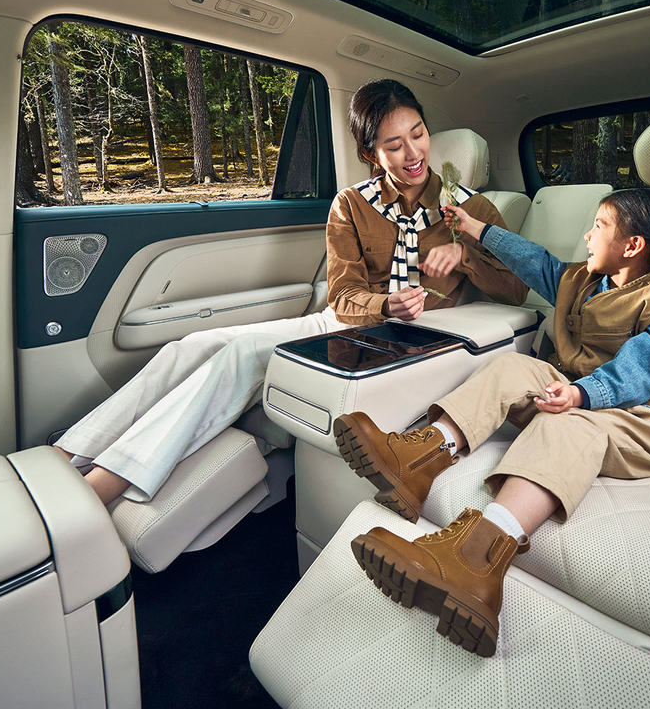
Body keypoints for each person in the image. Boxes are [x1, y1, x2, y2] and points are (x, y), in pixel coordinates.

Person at [54, 78, 526, 506]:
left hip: (408, 338)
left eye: (418, 134)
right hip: (346, 322)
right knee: (190, 345)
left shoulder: (472, 208)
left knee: (243, 354)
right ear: (370, 153)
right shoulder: (351, 204)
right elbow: (343, 296)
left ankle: (109, 481)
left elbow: (518, 289)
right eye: (394, 144)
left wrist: (465, 257)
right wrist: (386, 303)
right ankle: (70, 453)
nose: (413, 153)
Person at [334, 188, 650, 657]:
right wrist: (476, 230)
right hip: (585, 393)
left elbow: (638, 373)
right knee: (514, 366)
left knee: (569, 421)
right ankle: (418, 458)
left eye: (599, 226)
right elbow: (536, 263)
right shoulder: (585, 280)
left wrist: (580, 395)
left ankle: (476, 563)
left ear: (632, 246)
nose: (587, 235)